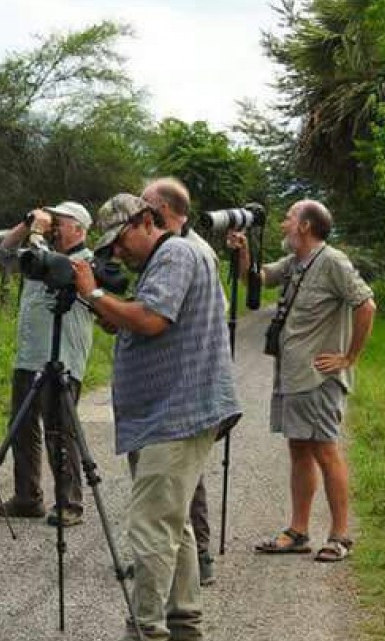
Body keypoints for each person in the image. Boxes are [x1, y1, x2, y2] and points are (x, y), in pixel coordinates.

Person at [72, 193, 240, 641]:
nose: (116, 252)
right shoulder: (165, 259)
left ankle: (146, 630)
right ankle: (184, 624)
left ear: (148, 221)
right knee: (172, 523)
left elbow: (150, 320)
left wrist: (92, 291)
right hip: (164, 413)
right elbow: (145, 320)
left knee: (149, 528)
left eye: (119, 239)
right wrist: (106, 307)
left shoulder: (177, 253)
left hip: (177, 412)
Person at [240, 200, 375, 563]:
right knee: (298, 449)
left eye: (288, 218)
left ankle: (340, 536)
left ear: (305, 226)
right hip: (292, 373)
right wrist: (243, 250)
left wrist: (349, 357)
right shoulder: (296, 263)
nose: (283, 223)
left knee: (325, 451)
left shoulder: (332, 261)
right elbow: (257, 278)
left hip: (318, 376)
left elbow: (366, 305)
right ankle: (298, 531)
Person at [0, 202, 95, 527]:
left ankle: (70, 503)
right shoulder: (39, 253)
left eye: (61, 222)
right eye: (54, 222)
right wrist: (26, 224)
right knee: (21, 426)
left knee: (60, 430)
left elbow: (56, 267)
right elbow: (1, 255)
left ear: (79, 228)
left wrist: (35, 235)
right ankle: (26, 496)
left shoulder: (84, 262)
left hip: (62, 358)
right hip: (29, 354)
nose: (54, 227)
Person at [139, 177, 219, 585]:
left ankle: (197, 556)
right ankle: (178, 561)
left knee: (185, 480)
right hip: (174, 385)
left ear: (164, 209)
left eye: (145, 204)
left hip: (184, 387)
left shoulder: (187, 251)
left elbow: (162, 318)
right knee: (178, 484)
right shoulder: (175, 246)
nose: (140, 210)